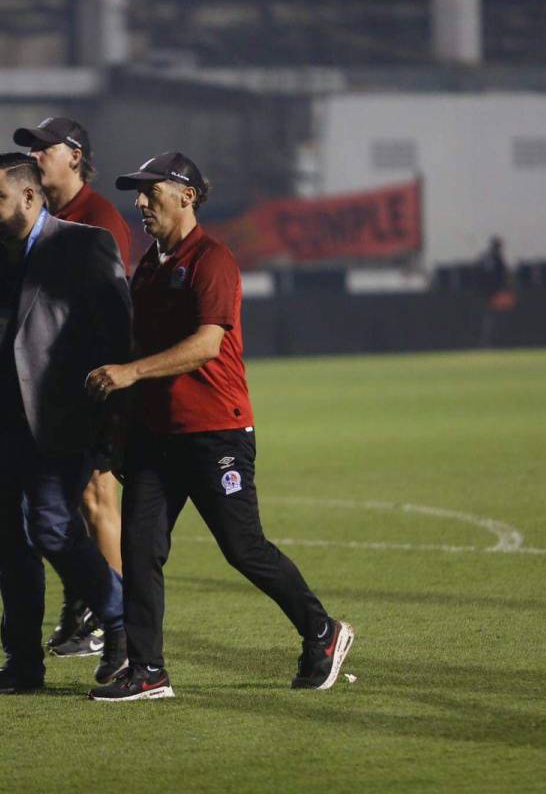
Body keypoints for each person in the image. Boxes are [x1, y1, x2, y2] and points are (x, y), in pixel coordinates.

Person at [85, 152, 354, 702]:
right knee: (140, 548)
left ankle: (321, 631)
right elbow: (137, 346)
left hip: (215, 433)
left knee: (243, 547)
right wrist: (119, 426)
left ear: (186, 194)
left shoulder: (212, 259)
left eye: (149, 191)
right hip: (155, 437)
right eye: (136, 193)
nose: (138, 202)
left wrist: (130, 373)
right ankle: (149, 670)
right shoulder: (151, 267)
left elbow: (208, 344)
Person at [0, 153, 131, 694]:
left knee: (53, 529)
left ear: (30, 197)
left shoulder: (84, 245)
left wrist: (111, 427)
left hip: (62, 424)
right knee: (9, 545)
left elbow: (119, 337)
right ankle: (24, 664)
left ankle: (122, 623)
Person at [13, 116, 132, 657]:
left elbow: (115, 310)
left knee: (96, 497)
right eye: (32, 148)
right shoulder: (49, 215)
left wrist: (114, 397)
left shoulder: (98, 219)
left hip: (94, 386)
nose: (35, 155)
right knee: (74, 505)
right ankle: (85, 611)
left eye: (45, 148)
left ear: (75, 156)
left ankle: (115, 620)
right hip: (57, 391)